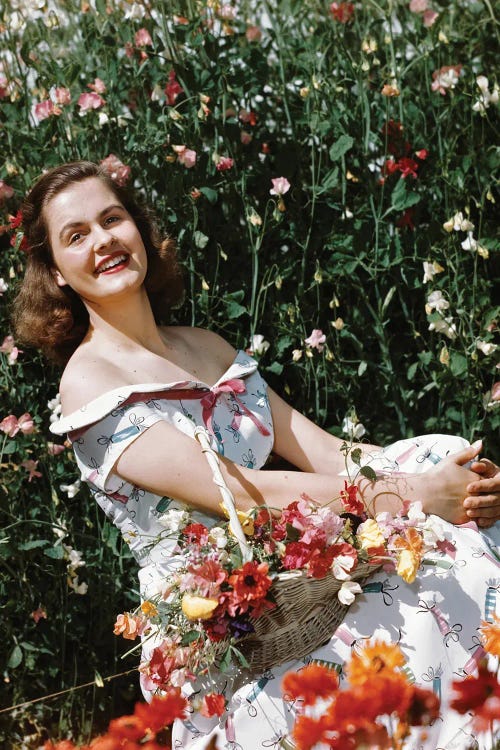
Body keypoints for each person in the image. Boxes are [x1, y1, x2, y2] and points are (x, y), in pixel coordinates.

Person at [13, 161, 500, 749]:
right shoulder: (89, 384)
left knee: (440, 455)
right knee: (438, 583)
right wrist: (412, 497)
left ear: (137, 227)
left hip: (297, 567)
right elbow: (245, 493)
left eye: (112, 219)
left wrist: (449, 478)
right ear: (56, 274)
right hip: (229, 618)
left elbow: (323, 449)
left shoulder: (203, 344)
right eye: (76, 235)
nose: (103, 241)